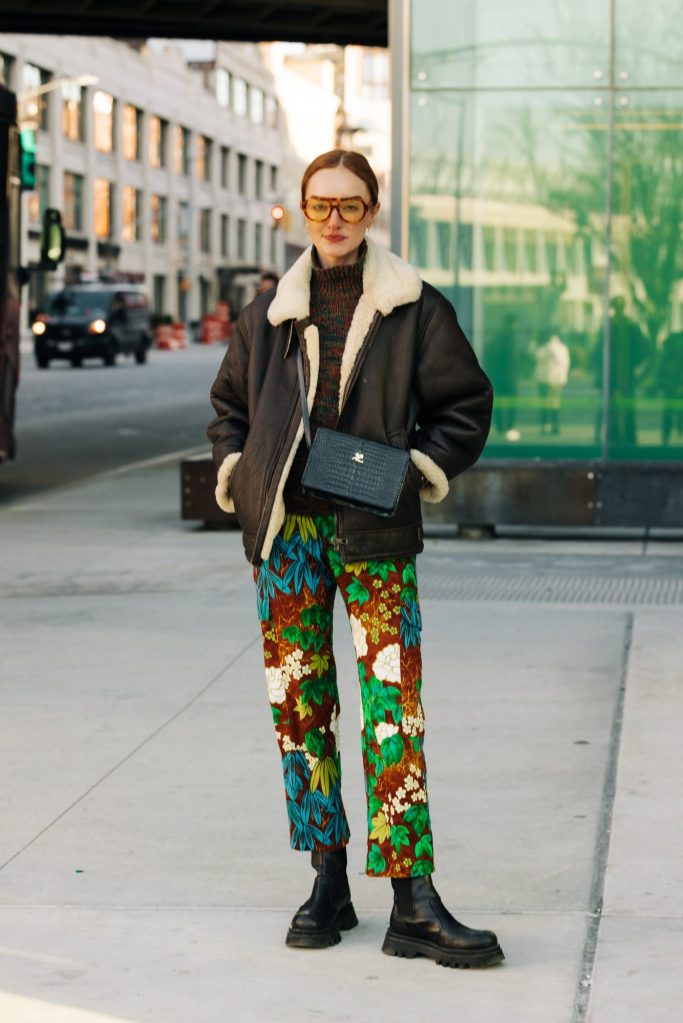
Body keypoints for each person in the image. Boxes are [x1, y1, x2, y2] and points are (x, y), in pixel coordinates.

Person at [207, 149, 503, 970]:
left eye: (348, 204)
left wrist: (410, 469)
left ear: (372, 209)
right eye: (318, 205)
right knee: (300, 711)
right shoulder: (270, 310)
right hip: (289, 540)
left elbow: (464, 405)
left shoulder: (415, 309)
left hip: (372, 531)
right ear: (303, 212)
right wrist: (242, 471)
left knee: (390, 712)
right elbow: (228, 406)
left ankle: (411, 899)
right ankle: (327, 876)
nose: (332, 219)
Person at [534, 329, 571, 435]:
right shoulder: (563, 349)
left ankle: (545, 426)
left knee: (544, 405)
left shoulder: (543, 349)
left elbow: (537, 360)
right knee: (555, 405)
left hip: (544, 380)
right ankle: (555, 426)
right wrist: (563, 378)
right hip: (557, 381)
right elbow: (565, 365)